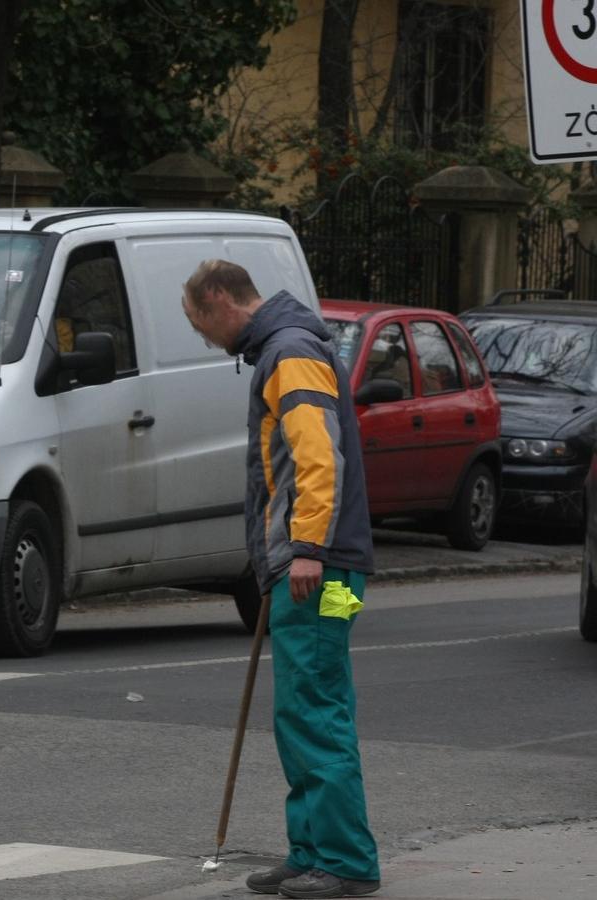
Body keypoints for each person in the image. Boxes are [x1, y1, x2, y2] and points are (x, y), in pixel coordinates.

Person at [180, 261, 381, 900]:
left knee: (315, 709)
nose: (203, 336)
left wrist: (306, 549)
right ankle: (312, 851)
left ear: (218, 301)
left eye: (198, 321)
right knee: (302, 710)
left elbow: (318, 456)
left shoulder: (289, 352)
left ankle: (345, 862)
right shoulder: (283, 348)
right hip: (307, 562)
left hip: (315, 566)